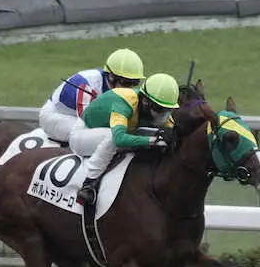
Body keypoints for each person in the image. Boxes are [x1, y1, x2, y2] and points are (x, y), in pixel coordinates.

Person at [69, 72, 180, 207]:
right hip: (82, 135)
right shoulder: (125, 102)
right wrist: (152, 141)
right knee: (113, 137)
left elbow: (174, 135)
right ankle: (89, 183)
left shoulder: (157, 110)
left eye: (168, 110)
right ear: (145, 101)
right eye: (160, 109)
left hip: (108, 132)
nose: (164, 114)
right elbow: (119, 139)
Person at [38, 48, 147, 145]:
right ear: (112, 77)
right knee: (105, 136)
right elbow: (88, 122)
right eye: (127, 83)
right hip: (56, 117)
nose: (130, 88)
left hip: (76, 117)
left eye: (135, 83)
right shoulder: (86, 84)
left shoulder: (113, 83)